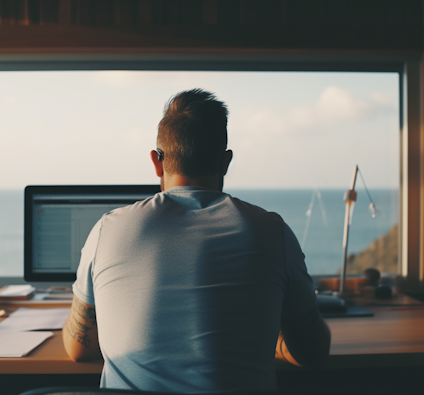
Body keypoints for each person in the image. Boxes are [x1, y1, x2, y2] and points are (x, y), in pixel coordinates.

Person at [62, 89, 330, 392]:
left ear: (156, 162)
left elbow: (79, 348)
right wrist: (273, 341)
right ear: (226, 162)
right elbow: (313, 353)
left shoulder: (107, 230)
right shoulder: (271, 231)